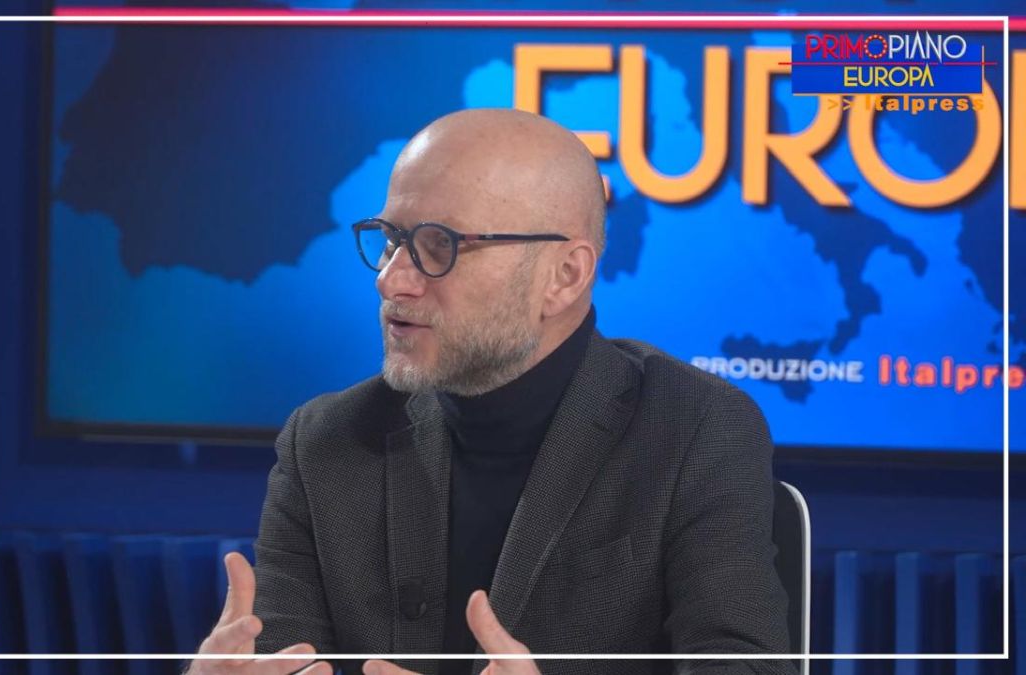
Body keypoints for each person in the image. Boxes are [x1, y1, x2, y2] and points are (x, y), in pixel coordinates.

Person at [187, 109, 794, 675]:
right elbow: (280, 657)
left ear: (564, 276)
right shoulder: (324, 442)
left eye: (440, 246)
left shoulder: (695, 429)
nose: (392, 280)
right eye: (391, 239)